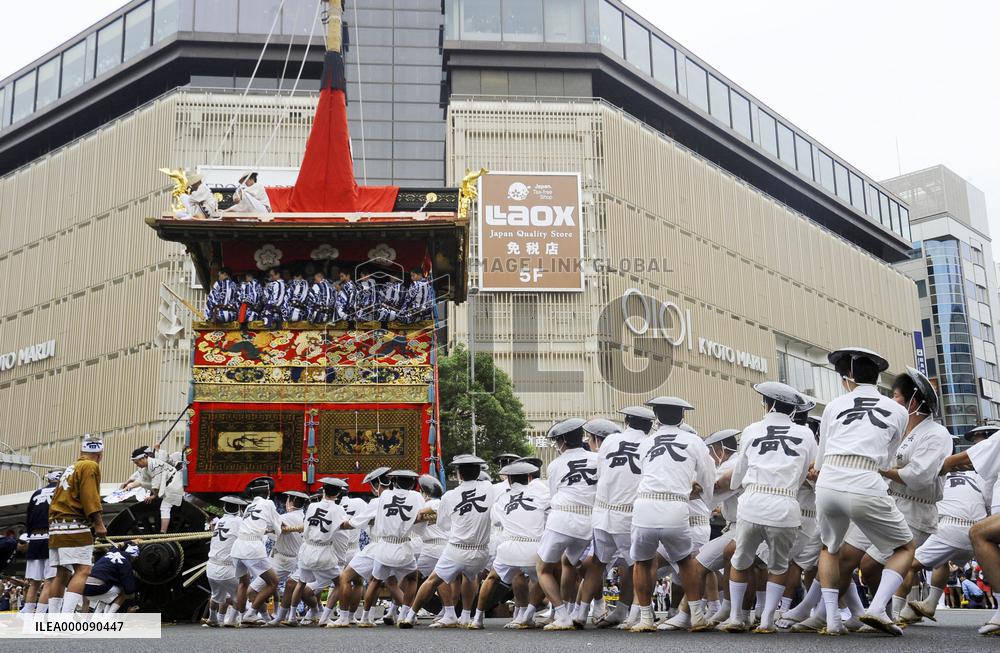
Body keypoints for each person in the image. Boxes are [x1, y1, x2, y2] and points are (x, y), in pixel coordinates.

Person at [811, 347, 911, 636]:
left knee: (829, 549)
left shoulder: (833, 406)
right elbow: (889, 458)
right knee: (904, 548)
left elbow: (821, 458)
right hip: (866, 481)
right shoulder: (898, 410)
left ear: (848, 379)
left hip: (829, 481)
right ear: (877, 377)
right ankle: (878, 608)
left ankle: (831, 620)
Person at [716, 382, 815, 634]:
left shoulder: (751, 429)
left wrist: (736, 483)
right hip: (785, 504)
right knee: (779, 565)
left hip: (752, 503)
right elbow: (805, 471)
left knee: (740, 561)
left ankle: (737, 616)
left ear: (768, 405)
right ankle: (768, 620)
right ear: (792, 409)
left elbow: (738, 474)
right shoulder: (805, 434)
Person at [629, 396, 714, 632]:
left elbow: (643, 472)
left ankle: (646, 619)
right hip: (675, 507)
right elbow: (708, 475)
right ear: (682, 417)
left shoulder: (646, 442)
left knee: (642, 563)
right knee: (686, 561)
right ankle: (697, 615)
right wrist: (703, 496)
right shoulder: (693, 441)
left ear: (656, 417)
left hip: (645, 505)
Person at [403, 456, 495, 629]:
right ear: (479, 472)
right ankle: (466, 616)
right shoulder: (489, 488)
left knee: (433, 580)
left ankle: (410, 615)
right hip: (481, 550)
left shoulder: (450, 496)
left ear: (458, 474)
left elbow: (443, 524)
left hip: (457, 549)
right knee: (471, 576)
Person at [590, 406, 655, 629]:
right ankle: (633, 613)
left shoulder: (609, 441)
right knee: (639, 564)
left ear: (626, 421)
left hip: (603, 513)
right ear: (649, 426)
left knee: (599, 563)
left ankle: (579, 612)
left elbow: (599, 473)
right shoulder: (651, 443)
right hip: (632, 513)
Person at [534, 418, 599, 631]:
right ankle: (572, 610)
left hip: (562, 518)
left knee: (543, 568)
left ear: (562, 441)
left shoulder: (555, 464)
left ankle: (561, 614)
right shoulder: (596, 458)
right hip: (587, 523)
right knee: (569, 563)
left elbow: (553, 495)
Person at [357, 470, 426, 627]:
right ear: (413, 484)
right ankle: (403, 614)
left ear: (394, 482)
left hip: (383, 546)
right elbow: (421, 524)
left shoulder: (385, 496)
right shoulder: (416, 497)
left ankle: (365, 618)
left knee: (374, 581)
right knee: (412, 578)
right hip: (403, 546)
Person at [47, 434, 107, 614]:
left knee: (62, 572)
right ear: (100, 453)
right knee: (83, 569)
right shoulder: (90, 466)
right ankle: (65, 619)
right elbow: (90, 497)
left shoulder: (72, 467)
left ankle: (54, 620)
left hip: (56, 525)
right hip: (74, 523)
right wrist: (99, 523)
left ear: (82, 450)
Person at [328, 467, 392, 628]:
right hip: (395, 545)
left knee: (345, 578)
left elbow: (356, 522)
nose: (371, 489)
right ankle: (369, 617)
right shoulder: (397, 499)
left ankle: (344, 618)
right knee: (377, 581)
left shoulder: (376, 501)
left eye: (372, 485)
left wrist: (338, 525)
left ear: (378, 483)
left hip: (376, 545)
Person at [294, 479, 351, 627]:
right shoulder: (337, 509)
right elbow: (346, 524)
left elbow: (306, 528)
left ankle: (290, 616)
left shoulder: (312, 506)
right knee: (340, 582)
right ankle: (324, 616)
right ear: (338, 493)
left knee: (301, 583)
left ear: (323, 491)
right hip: (323, 551)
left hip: (307, 549)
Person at [228, 476, 283, 626]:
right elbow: (278, 527)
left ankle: (236, 618)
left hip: (238, 547)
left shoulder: (249, 506)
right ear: (268, 493)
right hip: (252, 547)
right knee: (273, 582)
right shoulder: (268, 503)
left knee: (243, 583)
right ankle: (251, 613)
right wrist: (277, 529)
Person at [261, 490, 308, 626]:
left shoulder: (286, 517)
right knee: (291, 586)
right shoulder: (303, 517)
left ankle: (255, 613)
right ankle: (283, 615)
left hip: (292, 558)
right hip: (297, 557)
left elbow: (270, 528)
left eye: (288, 500)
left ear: (290, 502)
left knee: (289, 585)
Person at [20, 470, 60, 614]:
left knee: (34, 583)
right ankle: (40, 618)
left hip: (35, 539)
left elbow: (28, 516)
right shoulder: (62, 491)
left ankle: (28, 621)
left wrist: (30, 535)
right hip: (52, 537)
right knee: (49, 581)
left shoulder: (36, 493)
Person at [205, 496, 246, 628]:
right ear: (239, 509)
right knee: (239, 594)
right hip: (227, 569)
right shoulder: (240, 521)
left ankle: (212, 618)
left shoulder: (220, 521)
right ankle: (232, 619)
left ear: (224, 508)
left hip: (210, 567)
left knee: (216, 595)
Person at [83, 543, 139, 613]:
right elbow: (129, 589)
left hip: (85, 592)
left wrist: (132, 541)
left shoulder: (111, 552)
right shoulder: (126, 563)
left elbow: (118, 545)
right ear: (134, 557)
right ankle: (109, 616)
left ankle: (84, 620)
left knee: (104, 593)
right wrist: (132, 594)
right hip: (98, 589)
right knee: (124, 592)